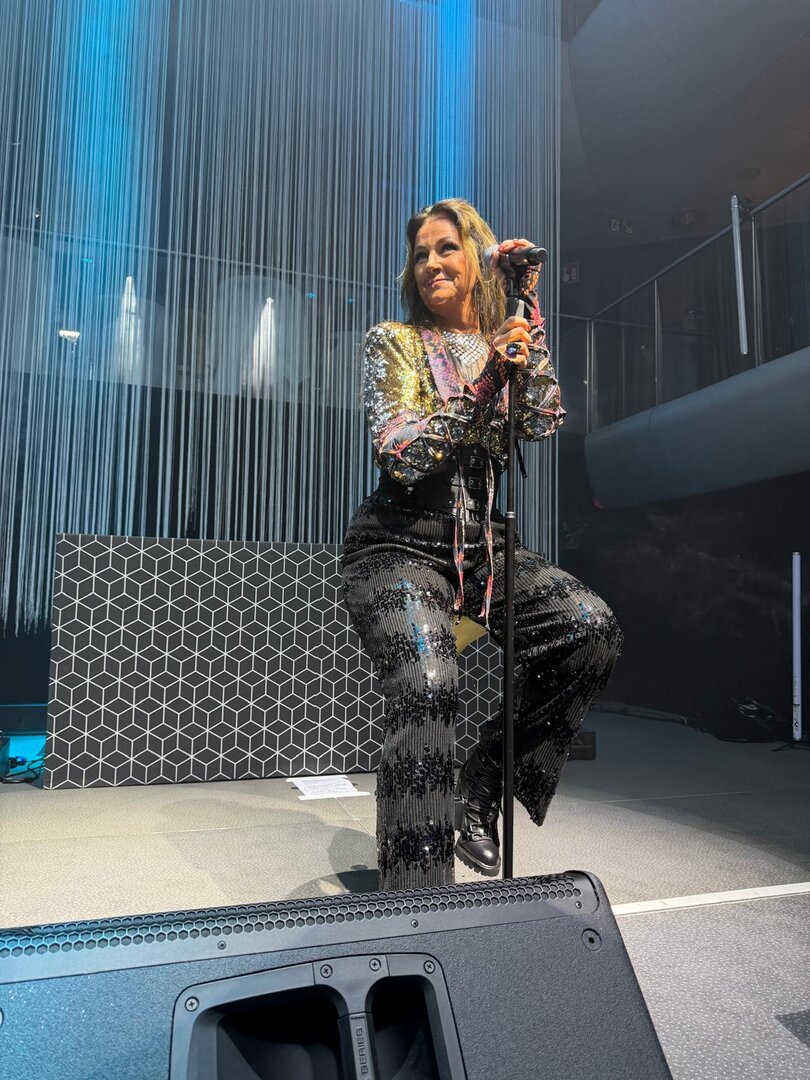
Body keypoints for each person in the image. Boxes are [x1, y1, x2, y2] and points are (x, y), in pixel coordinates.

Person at [341, 198, 622, 892]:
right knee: (428, 681)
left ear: (477, 256)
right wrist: (489, 376)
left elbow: (544, 420)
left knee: (589, 629)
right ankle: (415, 895)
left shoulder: (505, 336)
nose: (431, 263)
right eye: (420, 254)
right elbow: (403, 456)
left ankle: (483, 781)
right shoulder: (394, 342)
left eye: (446, 248)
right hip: (399, 545)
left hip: (483, 551)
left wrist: (528, 310)